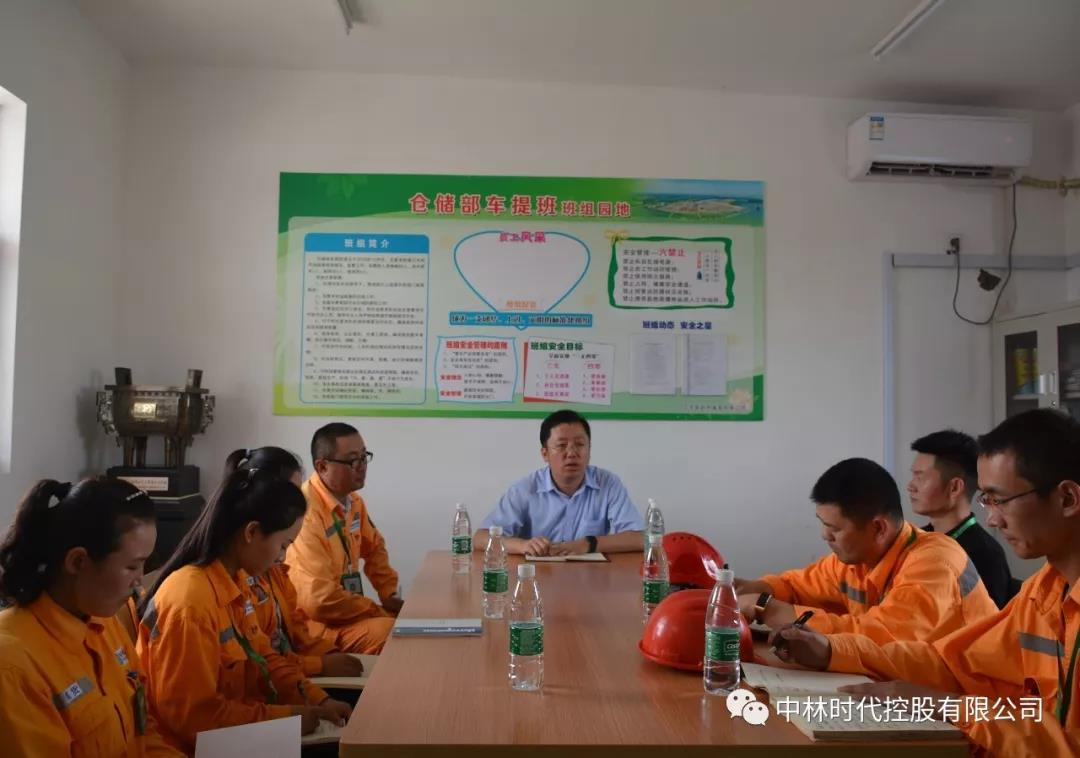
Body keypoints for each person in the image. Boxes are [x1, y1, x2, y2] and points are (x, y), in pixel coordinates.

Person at [772, 409, 1080, 756]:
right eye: (987, 501)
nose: (993, 519)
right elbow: (954, 664)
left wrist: (945, 705)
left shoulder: (937, 557)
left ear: (1067, 499)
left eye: (1000, 500)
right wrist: (831, 651)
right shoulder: (1045, 590)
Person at [138, 467, 350, 753]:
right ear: (251, 532)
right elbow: (193, 719)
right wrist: (285, 718)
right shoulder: (190, 602)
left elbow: (265, 658)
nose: (283, 557)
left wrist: (318, 700)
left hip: (238, 731)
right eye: (283, 545)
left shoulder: (236, 582)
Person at [0, 478, 180, 757]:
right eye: (132, 566)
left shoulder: (104, 621)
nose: (139, 581)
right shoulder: (13, 665)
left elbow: (144, 732)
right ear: (78, 562)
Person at [734, 457, 997, 645]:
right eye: (823, 524)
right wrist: (751, 589)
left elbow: (881, 636)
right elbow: (795, 586)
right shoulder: (854, 559)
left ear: (878, 528)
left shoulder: (934, 562)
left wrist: (766, 608)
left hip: (969, 697)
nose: (824, 535)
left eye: (834, 528)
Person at [223, 447, 364, 678]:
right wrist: (318, 666)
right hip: (281, 681)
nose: (299, 503)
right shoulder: (236, 579)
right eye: (292, 493)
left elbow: (294, 629)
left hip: (291, 673)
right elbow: (257, 665)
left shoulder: (272, 567)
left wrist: (328, 656)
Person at [286, 423, 400, 654]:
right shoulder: (306, 513)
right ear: (322, 466)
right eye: (352, 461)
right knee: (395, 633)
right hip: (316, 627)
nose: (362, 466)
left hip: (345, 615)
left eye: (364, 457)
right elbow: (319, 602)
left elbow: (375, 548)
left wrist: (389, 595)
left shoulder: (353, 502)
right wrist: (374, 609)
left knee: (410, 624)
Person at [476, 410, 644, 556]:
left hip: (590, 575)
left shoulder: (608, 483)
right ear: (545, 454)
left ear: (589, 450)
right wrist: (523, 545)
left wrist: (589, 543)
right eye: (562, 445)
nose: (571, 453)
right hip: (540, 574)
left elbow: (640, 538)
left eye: (580, 444)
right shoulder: (526, 489)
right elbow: (480, 538)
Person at [908, 429, 1015, 608]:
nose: (911, 486)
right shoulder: (915, 540)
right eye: (913, 476)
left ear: (955, 488)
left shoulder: (985, 555)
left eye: (920, 477)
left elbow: (989, 622)